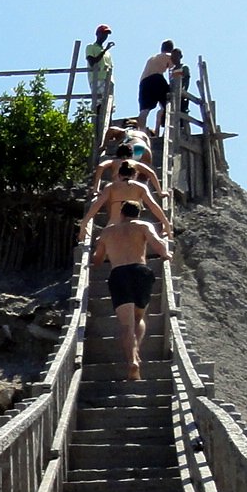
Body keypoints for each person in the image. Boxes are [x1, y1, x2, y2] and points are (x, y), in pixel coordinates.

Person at [93, 200, 170, 380]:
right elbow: (158, 244)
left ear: (121, 213)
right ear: (139, 213)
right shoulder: (144, 226)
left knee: (126, 325)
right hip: (140, 272)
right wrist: (167, 254)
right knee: (138, 318)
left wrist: (97, 254)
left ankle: (132, 359)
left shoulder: (107, 232)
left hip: (119, 274)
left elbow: (97, 260)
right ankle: (136, 351)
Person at [84, 162, 170, 237]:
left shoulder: (110, 187)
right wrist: (166, 223)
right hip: (133, 227)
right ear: (135, 175)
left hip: (113, 226)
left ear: (119, 175)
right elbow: (153, 206)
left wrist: (84, 223)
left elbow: (97, 205)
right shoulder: (140, 187)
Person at [136, 39, 176, 129]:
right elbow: (174, 69)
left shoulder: (152, 58)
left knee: (144, 110)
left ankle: (141, 131)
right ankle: (158, 130)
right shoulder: (168, 55)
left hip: (144, 82)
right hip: (156, 78)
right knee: (167, 105)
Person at [91, 144, 157, 193]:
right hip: (131, 187)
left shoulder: (114, 162)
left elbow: (100, 166)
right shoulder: (135, 163)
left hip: (116, 187)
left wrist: (96, 187)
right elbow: (151, 173)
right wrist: (160, 192)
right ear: (130, 155)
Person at [84, 24, 114, 112]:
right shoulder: (91, 47)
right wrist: (104, 50)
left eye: (106, 34)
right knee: (99, 103)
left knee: (109, 105)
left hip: (108, 80)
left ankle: (108, 123)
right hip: (97, 79)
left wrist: (105, 50)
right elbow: (92, 62)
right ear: (97, 34)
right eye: (103, 33)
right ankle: (97, 123)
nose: (105, 36)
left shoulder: (107, 53)